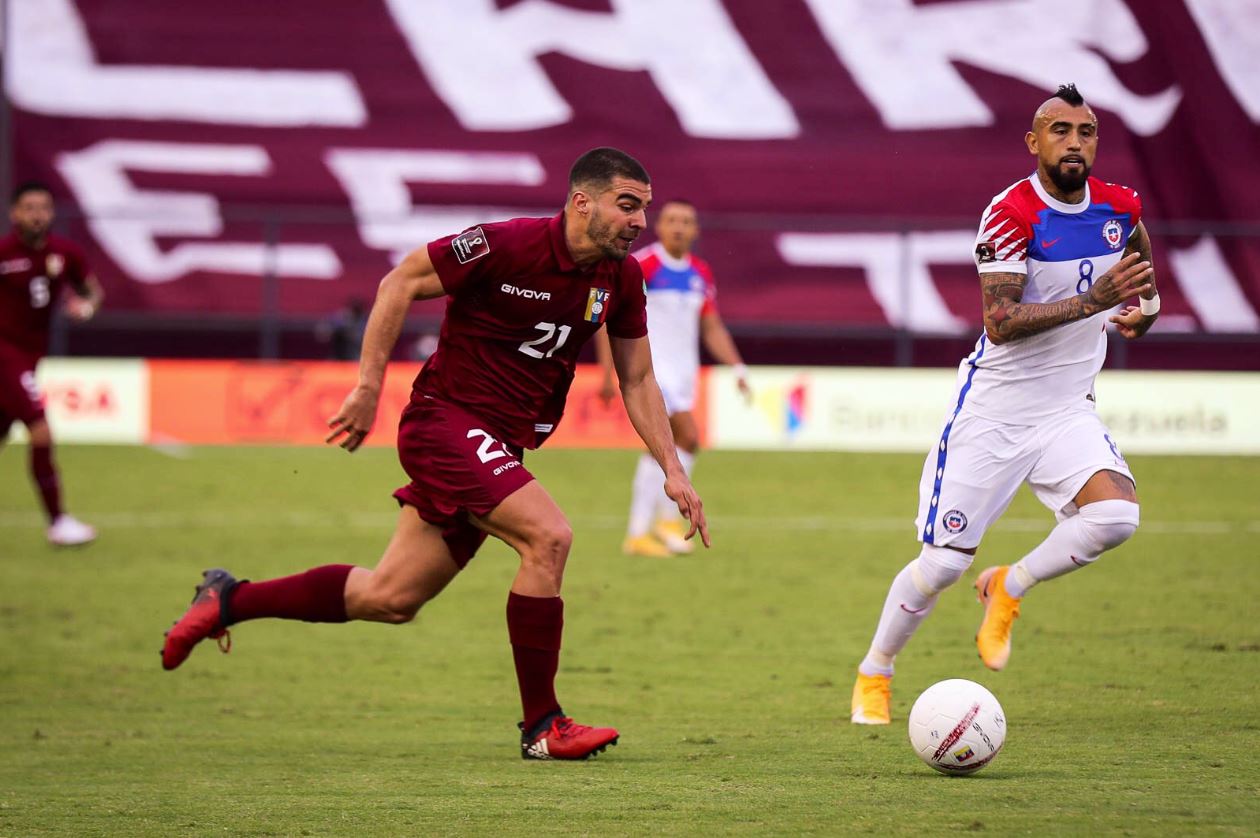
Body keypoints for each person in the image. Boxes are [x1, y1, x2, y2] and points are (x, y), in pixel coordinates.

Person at [160, 148, 710, 760]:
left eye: (644, 209)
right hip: (444, 424)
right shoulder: (503, 245)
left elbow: (637, 379)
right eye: (627, 205)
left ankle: (228, 600)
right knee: (548, 537)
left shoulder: (620, 278)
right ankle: (542, 726)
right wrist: (368, 386)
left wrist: (672, 467)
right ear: (583, 201)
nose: (639, 222)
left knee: (389, 598)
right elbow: (399, 282)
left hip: (498, 445)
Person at [850, 84, 1160, 724]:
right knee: (939, 568)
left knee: (1117, 520)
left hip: (1067, 408)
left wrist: (1146, 306)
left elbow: (1138, 246)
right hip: (993, 412)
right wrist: (1099, 301)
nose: (1075, 143)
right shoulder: (1011, 213)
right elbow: (1002, 321)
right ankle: (875, 672)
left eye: (1086, 131)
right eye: (1060, 131)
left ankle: (1009, 585)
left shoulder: (1119, 203)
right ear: (1035, 141)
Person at [594, 199, 749, 557]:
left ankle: (653, 527)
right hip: (651, 370)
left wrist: (736, 366)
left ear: (695, 231)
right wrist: (608, 371)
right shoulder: (644, 264)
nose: (679, 227)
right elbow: (606, 317)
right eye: (672, 220)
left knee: (672, 446)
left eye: (687, 222)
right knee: (684, 438)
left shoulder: (700, 273)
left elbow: (710, 326)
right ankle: (644, 529)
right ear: (659, 226)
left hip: (683, 373)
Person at [0, 182, 104, 547]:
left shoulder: (66, 253)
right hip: (4, 352)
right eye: (29, 207)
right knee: (40, 430)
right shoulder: (3, 253)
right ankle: (58, 521)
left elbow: (92, 290)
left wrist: (85, 307)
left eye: (43, 207)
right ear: (14, 213)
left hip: (31, 354)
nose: (37, 214)